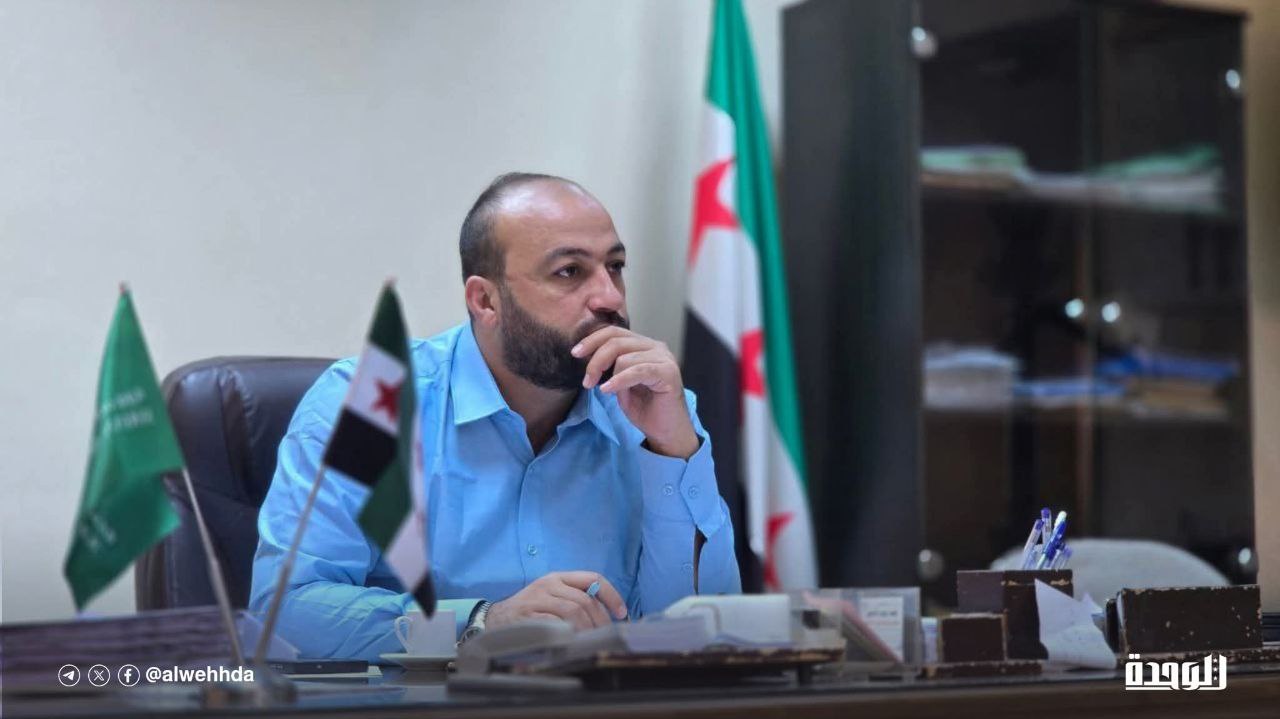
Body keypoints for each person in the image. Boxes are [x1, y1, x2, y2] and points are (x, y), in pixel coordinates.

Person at [249, 172, 741, 660]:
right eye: (569, 271)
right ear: (485, 301)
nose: (610, 297)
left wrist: (673, 453)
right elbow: (286, 615)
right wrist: (482, 624)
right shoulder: (371, 405)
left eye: (615, 266)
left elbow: (703, 630)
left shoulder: (649, 408)